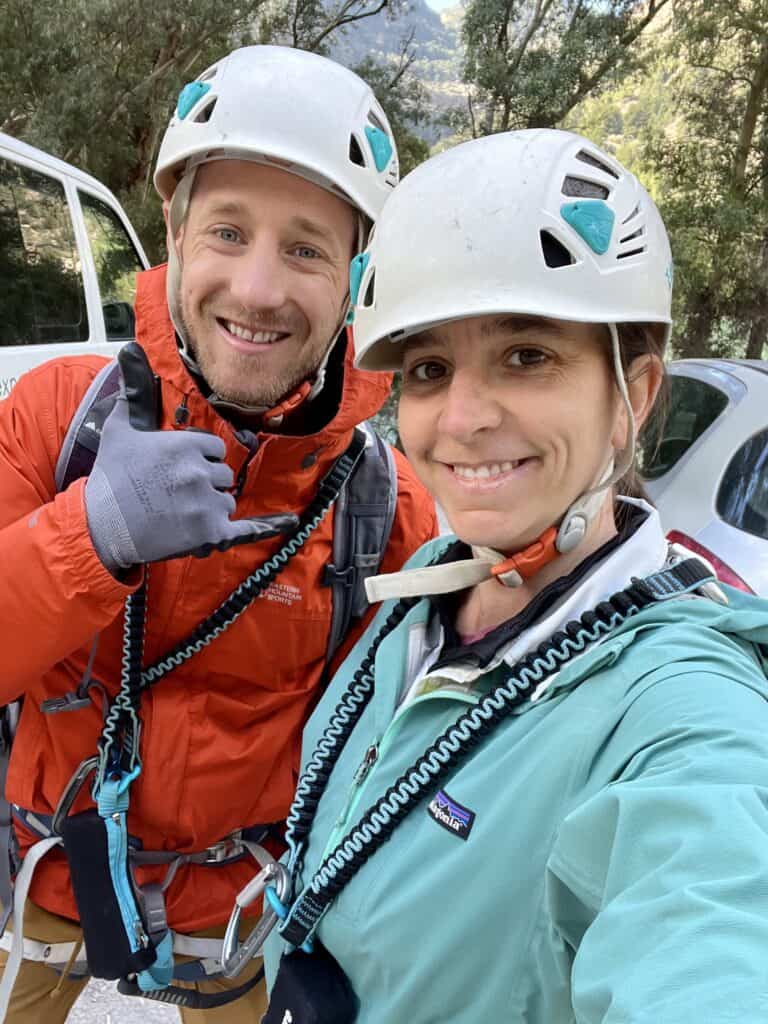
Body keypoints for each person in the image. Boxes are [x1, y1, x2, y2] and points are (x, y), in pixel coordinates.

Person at [260, 129, 768, 1023]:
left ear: (634, 394)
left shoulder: (681, 708)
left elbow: (707, 919)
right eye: (428, 369)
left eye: (527, 356)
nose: (460, 419)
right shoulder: (432, 583)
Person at [0, 45, 436, 1023]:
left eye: (309, 249)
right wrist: (93, 536)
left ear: (357, 274)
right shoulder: (53, 421)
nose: (257, 288)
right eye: (228, 231)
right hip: (56, 869)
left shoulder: (383, 504)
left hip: (234, 905)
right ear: (174, 231)